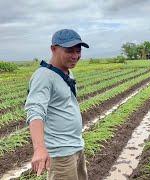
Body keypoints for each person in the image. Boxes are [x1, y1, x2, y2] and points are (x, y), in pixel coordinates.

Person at [25, 29, 89, 180]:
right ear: (53, 49)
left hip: (76, 146)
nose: (75, 56)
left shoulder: (66, 72)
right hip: (61, 154)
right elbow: (35, 111)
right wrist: (40, 149)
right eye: (69, 51)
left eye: (78, 51)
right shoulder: (44, 76)